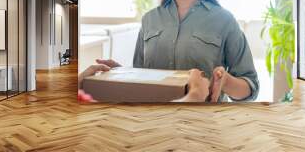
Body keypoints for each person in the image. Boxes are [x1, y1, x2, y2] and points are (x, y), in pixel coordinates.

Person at [89, 0, 259, 102]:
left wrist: (226, 82)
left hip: (205, 123)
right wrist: (120, 73)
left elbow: (251, 87)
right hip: (155, 121)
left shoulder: (224, 20)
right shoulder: (150, 19)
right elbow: (141, 78)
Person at [78, 61, 210, 102]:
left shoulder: (223, 19)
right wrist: (196, 94)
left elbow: (139, 73)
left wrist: (122, 72)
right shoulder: (150, 18)